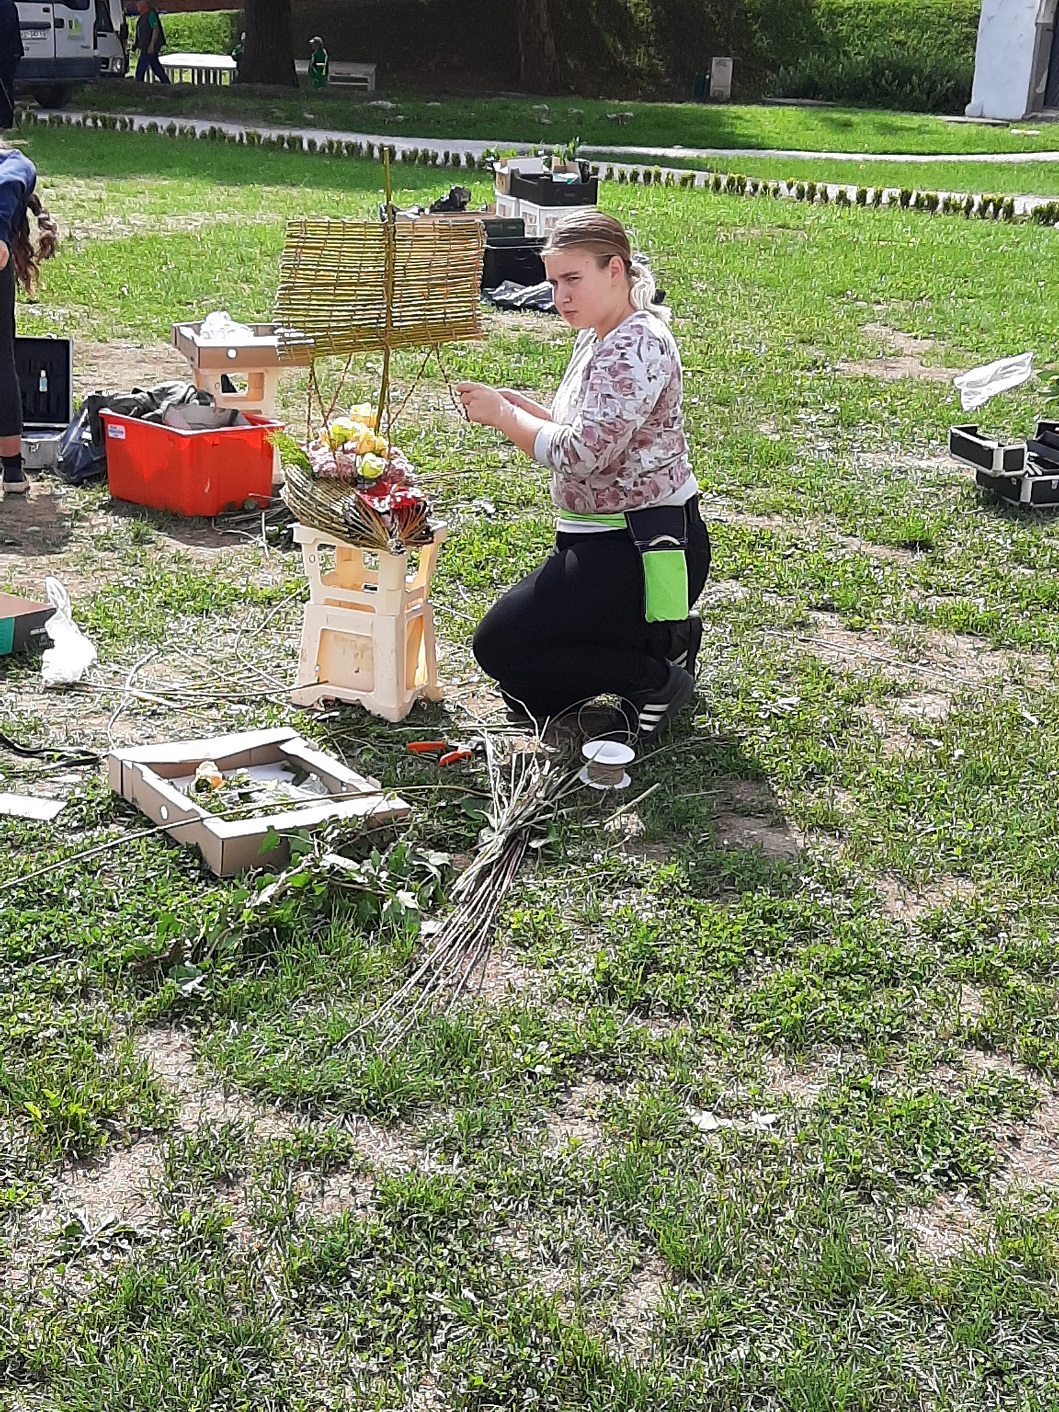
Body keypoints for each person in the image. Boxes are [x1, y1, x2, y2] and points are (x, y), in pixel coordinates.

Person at [457, 211, 710, 740]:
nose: (560, 296)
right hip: (601, 538)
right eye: (553, 282)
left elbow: (581, 454)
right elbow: (584, 429)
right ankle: (661, 640)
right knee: (526, 688)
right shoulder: (599, 335)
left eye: (573, 279)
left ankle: (656, 677)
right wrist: (526, 413)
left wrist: (505, 418)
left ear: (615, 269)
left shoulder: (634, 345)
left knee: (500, 650)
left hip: (643, 547)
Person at [0, 149, 58, 496]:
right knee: (1, 362)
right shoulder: (16, 164)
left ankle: (12, 471)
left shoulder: (13, 166)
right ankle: (12, 471)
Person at [133, 0, 169, 84]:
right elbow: (140, 33)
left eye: (139, 5)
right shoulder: (142, 17)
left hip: (149, 45)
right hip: (145, 45)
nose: (137, 7)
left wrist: (152, 44)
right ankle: (166, 82)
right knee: (155, 66)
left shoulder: (151, 15)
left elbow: (155, 29)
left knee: (142, 66)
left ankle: (139, 83)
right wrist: (136, 44)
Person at [0, 0, 22, 130]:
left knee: (5, 87)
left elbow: (4, 28)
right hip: (6, 52)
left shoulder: (5, 5)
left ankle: (6, 122)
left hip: (7, 53)